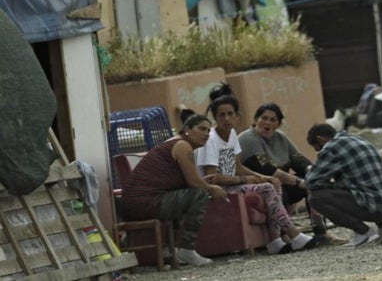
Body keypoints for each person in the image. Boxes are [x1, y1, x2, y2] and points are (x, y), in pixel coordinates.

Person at [194, 85, 316, 254]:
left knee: (273, 183)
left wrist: (262, 176)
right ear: (214, 117)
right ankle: (293, 233)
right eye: (221, 115)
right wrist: (243, 180)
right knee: (266, 188)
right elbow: (212, 177)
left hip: (234, 184)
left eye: (230, 114)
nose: (226, 118)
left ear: (238, 116)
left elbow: (238, 167)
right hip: (219, 189)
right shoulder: (211, 140)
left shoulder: (231, 135)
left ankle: (275, 240)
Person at [120, 114, 227, 266]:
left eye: (209, 131)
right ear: (187, 130)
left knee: (191, 194)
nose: (206, 134)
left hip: (136, 203)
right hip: (143, 202)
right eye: (201, 129)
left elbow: (186, 182)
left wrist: (203, 183)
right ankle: (187, 250)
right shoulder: (182, 145)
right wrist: (210, 187)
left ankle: (171, 250)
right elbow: (194, 183)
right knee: (200, 194)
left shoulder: (183, 146)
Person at [238, 103, 348, 246]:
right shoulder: (248, 139)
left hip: (281, 184)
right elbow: (267, 169)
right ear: (255, 120)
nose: (267, 123)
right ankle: (286, 235)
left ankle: (321, 233)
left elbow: (298, 160)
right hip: (259, 186)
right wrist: (298, 182)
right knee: (281, 187)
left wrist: (313, 172)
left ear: (278, 124)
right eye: (264, 118)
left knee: (311, 182)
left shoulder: (281, 138)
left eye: (273, 120)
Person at [305, 124, 382, 247]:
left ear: (320, 139)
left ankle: (364, 232)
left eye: (318, 149)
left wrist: (315, 173)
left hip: (375, 207)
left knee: (316, 197)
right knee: (362, 183)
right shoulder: (359, 139)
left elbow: (311, 181)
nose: (320, 153)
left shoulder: (332, 147)